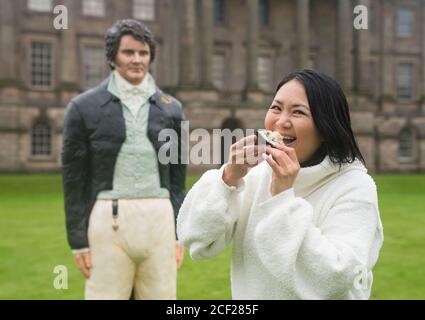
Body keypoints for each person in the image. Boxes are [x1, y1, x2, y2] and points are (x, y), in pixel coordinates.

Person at [177, 69, 384, 300]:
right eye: (276, 108)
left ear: (325, 127)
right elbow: (197, 238)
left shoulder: (355, 187)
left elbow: (333, 278)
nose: (281, 122)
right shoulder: (256, 175)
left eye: (298, 112)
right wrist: (228, 179)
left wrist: (283, 198)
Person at [62, 19, 186, 300]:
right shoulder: (83, 108)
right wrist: (78, 240)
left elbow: (178, 181)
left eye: (143, 53)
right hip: (108, 220)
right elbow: (73, 180)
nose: (137, 60)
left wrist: (179, 233)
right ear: (112, 56)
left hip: (160, 220)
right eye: (128, 52)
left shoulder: (173, 110)